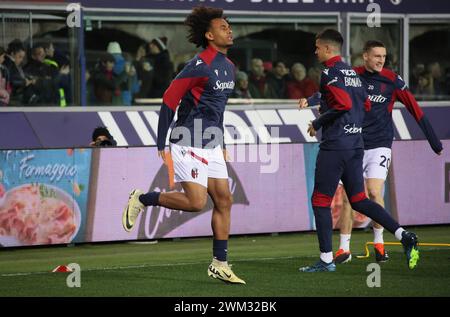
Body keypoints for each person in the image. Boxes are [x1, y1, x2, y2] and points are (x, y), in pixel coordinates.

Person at [122, 6, 245, 284]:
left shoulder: (230, 67)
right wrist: (161, 141)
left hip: (211, 141)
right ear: (209, 34)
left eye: (229, 26)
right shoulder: (199, 65)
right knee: (195, 202)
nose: (230, 30)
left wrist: (222, 141)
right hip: (187, 138)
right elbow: (169, 98)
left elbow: (217, 110)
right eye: (223, 27)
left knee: (224, 200)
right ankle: (143, 199)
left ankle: (220, 264)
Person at [298, 29, 420, 272]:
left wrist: (319, 123)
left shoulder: (328, 72)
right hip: (356, 144)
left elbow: (342, 104)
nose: (315, 51)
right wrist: (336, 112)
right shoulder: (352, 73)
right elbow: (363, 103)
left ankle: (325, 260)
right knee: (359, 200)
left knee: (320, 201)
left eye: (317, 47)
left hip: (336, 146)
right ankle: (403, 234)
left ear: (327, 49)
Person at [329, 40, 443, 264]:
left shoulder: (392, 80)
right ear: (365, 57)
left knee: (373, 191)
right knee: (348, 197)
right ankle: (344, 249)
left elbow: (414, 108)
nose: (381, 60)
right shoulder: (352, 76)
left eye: (384, 56)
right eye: (377, 56)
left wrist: (434, 141)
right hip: (355, 143)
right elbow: (332, 98)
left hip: (380, 143)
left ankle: (380, 245)